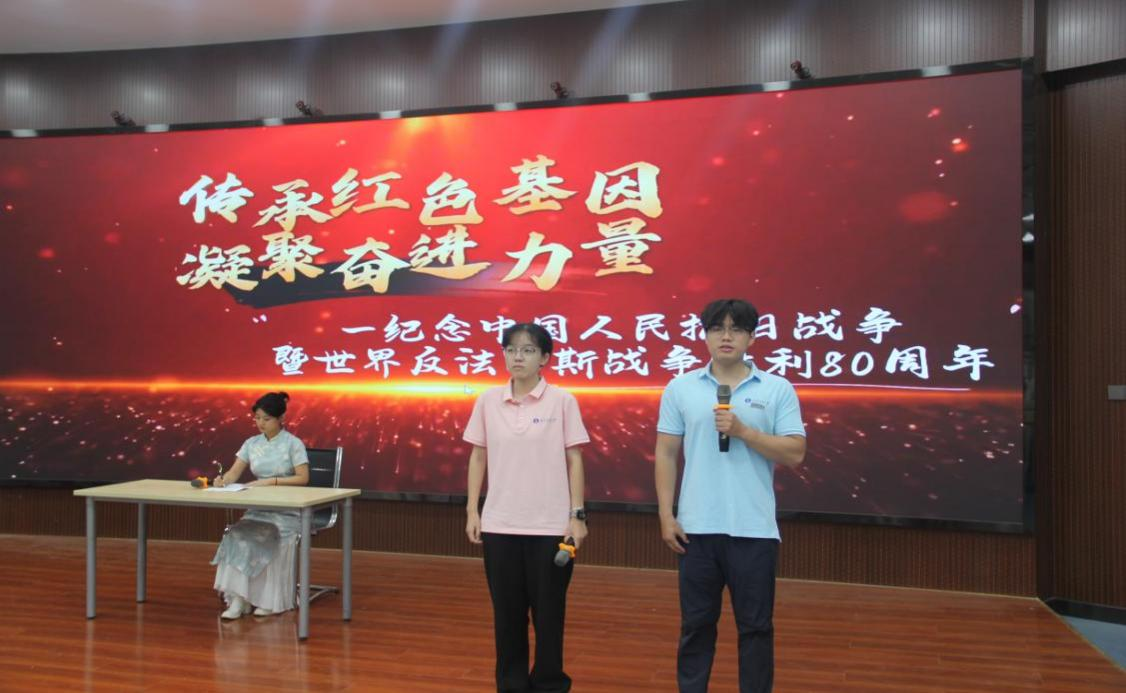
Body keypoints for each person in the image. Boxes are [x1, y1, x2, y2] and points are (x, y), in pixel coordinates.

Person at [654, 299, 807, 693]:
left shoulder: (777, 388)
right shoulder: (681, 387)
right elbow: (666, 454)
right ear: (704, 335)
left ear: (751, 337)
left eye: (736, 329)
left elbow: (795, 453)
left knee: (756, 628)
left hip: (753, 530)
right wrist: (666, 515)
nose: (726, 336)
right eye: (717, 328)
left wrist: (745, 432)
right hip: (696, 529)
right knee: (696, 626)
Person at [464, 322, 590, 693]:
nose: (518, 357)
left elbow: (575, 460)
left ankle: (550, 684)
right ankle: (511, 684)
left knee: (549, 615)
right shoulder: (488, 400)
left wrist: (577, 515)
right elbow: (478, 457)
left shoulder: (562, 401)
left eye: (528, 350)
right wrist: (472, 510)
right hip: (500, 525)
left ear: (545, 358)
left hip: (551, 527)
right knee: (507, 616)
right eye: (511, 349)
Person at [211, 391, 309, 620]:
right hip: (258, 508)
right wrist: (222, 480)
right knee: (236, 536)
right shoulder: (251, 443)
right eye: (257, 418)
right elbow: (234, 472)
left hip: (286, 510)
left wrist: (270, 481)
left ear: (281, 418)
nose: (261, 423)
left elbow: (303, 477)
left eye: (266, 419)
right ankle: (239, 599)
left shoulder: (293, 444)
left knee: (267, 536)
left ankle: (268, 599)